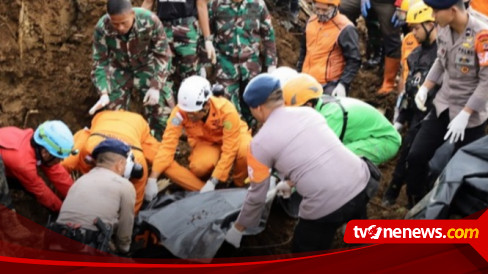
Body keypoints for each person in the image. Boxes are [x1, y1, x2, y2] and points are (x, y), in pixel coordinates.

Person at [225, 73, 378, 252]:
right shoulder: (309, 113)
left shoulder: (258, 144)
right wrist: (290, 183)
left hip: (327, 203)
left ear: (257, 108)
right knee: (359, 242)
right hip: (362, 182)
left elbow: (257, 196)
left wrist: (238, 228)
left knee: (303, 252)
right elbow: (316, 154)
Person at [405, 0, 488, 207]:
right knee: (416, 156)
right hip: (443, 105)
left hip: (471, 116)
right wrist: (426, 87)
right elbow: (440, 62)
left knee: (465, 168)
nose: (433, 16)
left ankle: (453, 211)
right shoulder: (443, 29)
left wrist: (467, 113)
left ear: (452, 11)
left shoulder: (482, 35)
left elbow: (487, 80)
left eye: (435, 11)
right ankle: (416, 201)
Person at [149, 76, 252, 192]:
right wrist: (152, 179)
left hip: (234, 136)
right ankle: (203, 183)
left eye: (193, 114)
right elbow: (167, 145)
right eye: (187, 112)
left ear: (207, 105)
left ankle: (237, 185)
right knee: (199, 167)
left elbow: (230, 149)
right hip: (206, 141)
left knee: (246, 151)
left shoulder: (226, 111)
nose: (188, 116)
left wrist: (214, 180)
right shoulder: (179, 113)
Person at [89, 0, 172, 141]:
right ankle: (117, 146)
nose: (120, 27)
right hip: (119, 68)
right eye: (115, 24)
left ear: (132, 14)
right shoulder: (102, 27)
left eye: (124, 23)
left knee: (160, 110)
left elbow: (163, 55)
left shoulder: (150, 20)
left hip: (147, 66)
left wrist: (156, 86)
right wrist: (103, 92)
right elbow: (99, 62)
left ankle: (160, 146)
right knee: (111, 113)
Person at [383, 1, 439, 206]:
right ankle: (401, 195)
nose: (413, 33)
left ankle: (421, 198)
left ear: (429, 24)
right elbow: (410, 87)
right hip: (417, 112)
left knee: (423, 160)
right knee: (407, 153)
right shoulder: (415, 55)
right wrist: (401, 117)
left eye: (416, 28)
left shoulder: (442, 52)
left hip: (437, 114)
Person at [283, 73, 401, 165]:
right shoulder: (318, 103)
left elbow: (320, 154)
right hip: (362, 135)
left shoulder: (331, 116)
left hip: (384, 140)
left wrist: (290, 183)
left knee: (336, 160)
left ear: (308, 105)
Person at [62, 110, 160, 213]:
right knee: (69, 160)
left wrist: (152, 180)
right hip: (104, 117)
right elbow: (83, 174)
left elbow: (134, 202)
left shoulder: (139, 164)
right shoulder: (89, 150)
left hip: (137, 123)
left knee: (158, 156)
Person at [56, 139, 136, 254]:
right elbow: (124, 232)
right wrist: (123, 250)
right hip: (86, 249)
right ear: (120, 164)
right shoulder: (125, 186)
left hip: (56, 239)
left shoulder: (80, 180)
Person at [208, 0, 278, 126]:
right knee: (227, 107)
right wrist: (206, 62)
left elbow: (268, 35)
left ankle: (251, 132)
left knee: (253, 105)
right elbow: (208, 33)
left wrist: (271, 63)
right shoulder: (216, 4)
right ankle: (235, 135)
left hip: (251, 64)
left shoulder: (258, 5)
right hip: (225, 64)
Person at [0, 120, 74, 212]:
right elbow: (40, 191)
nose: (61, 161)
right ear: (45, 153)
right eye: (59, 158)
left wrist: (76, 196)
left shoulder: (37, 142)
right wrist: (63, 211)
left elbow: (57, 172)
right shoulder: (24, 164)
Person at [141, 0, 216, 85]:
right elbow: (148, 3)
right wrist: (138, 30)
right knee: (162, 75)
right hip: (163, 30)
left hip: (187, 30)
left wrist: (207, 39)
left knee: (191, 76)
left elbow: (201, 4)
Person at [297, 0, 361, 97]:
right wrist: (298, 73)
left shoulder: (345, 28)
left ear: (335, 7)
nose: (321, 13)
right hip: (307, 81)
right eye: (317, 9)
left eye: (325, 10)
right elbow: (304, 50)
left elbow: (354, 59)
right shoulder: (311, 22)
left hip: (329, 85)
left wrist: (343, 84)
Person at [340, 0, 402, 94]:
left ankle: (388, 83)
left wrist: (401, 5)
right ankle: (344, 57)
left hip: (388, 2)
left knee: (390, 32)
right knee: (343, 9)